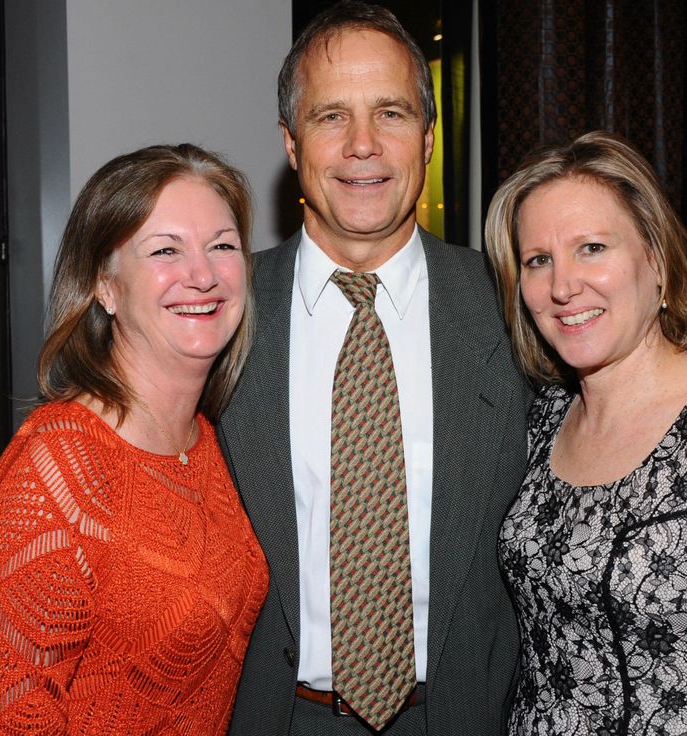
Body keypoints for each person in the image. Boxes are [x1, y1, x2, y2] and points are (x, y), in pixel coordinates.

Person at [217, 2, 530, 734]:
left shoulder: (516, 310)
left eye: (389, 113)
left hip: (461, 716)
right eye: (331, 117)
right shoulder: (216, 315)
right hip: (277, 716)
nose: (363, 145)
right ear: (291, 145)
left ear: (427, 138)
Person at [484, 130, 687, 735]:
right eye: (538, 260)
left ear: (657, 261)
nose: (562, 286)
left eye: (591, 248)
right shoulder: (545, 420)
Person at [0, 144, 268, 735]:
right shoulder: (60, 467)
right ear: (105, 287)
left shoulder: (211, 443)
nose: (203, 274)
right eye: (166, 250)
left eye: (222, 245)